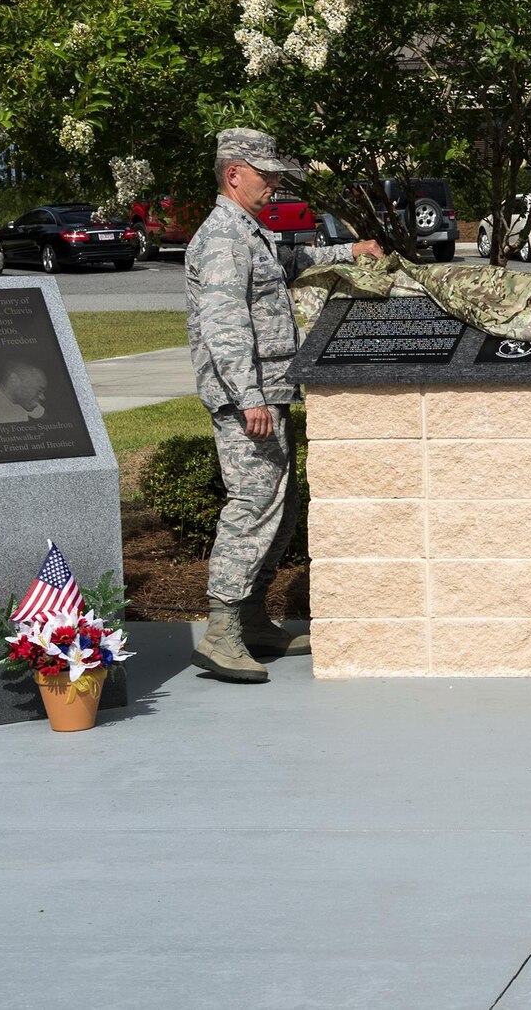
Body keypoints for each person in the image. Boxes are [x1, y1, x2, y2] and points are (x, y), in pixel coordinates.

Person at [187, 129, 382, 683]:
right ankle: (221, 631)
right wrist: (248, 397)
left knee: (281, 504)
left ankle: (251, 616)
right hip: (246, 398)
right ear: (234, 174)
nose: (274, 184)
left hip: (268, 392)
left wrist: (351, 250)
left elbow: (290, 261)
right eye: (265, 174)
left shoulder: (249, 232)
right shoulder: (223, 237)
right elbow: (223, 325)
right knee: (252, 503)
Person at [0, 359, 48, 424]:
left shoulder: (20, 399)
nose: (43, 397)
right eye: (39, 391)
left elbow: (43, 415)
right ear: (14, 380)